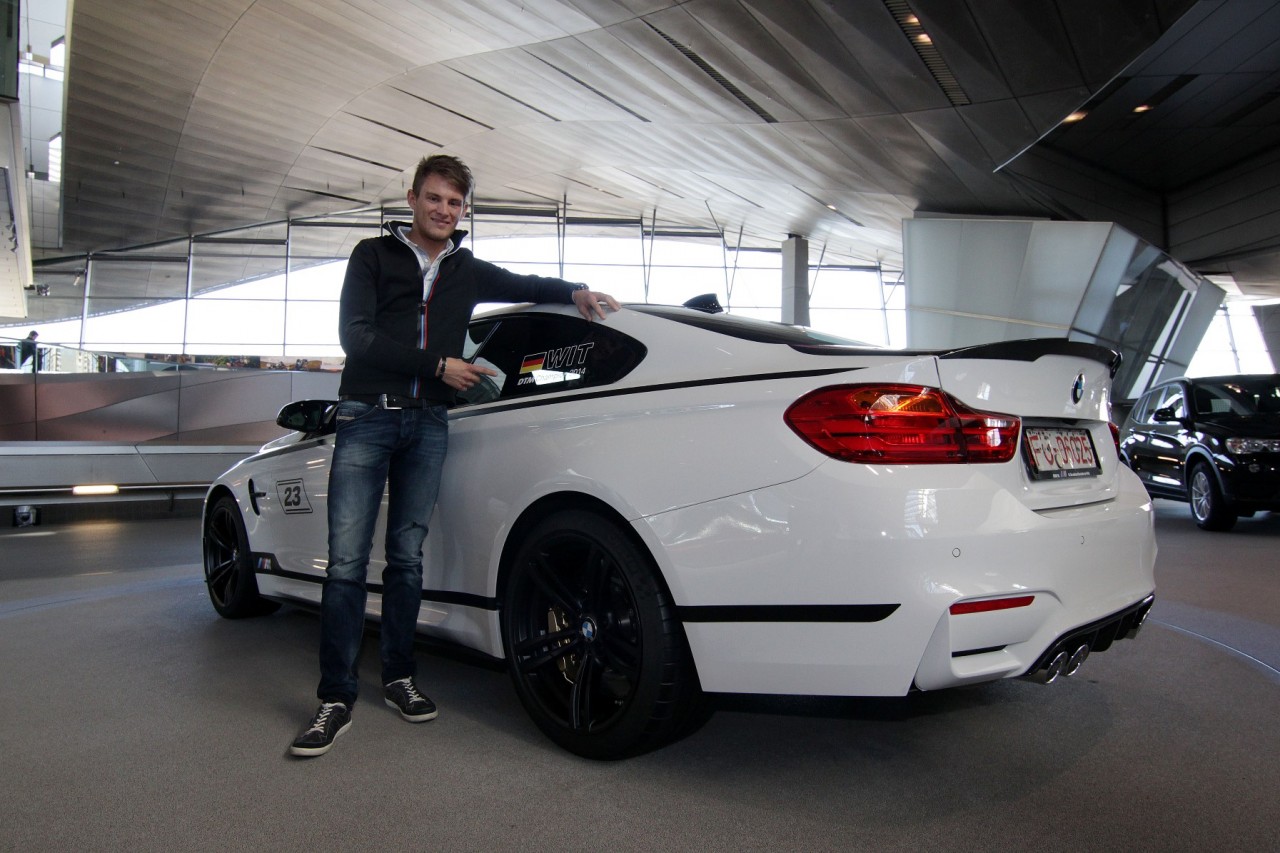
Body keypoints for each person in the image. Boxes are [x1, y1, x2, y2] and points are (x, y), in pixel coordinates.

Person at [290, 154, 620, 757]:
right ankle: (335, 697)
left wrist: (576, 292)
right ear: (413, 198)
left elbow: (526, 287)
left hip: (429, 424)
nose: (445, 210)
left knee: (407, 560)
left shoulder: (465, 269)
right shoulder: (372, 256)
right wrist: (437, 366)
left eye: (456, 203)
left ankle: (398, 678)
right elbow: (355, 338)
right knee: (345, 563)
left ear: (462, 210)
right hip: (367, 416)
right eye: (436, 198)